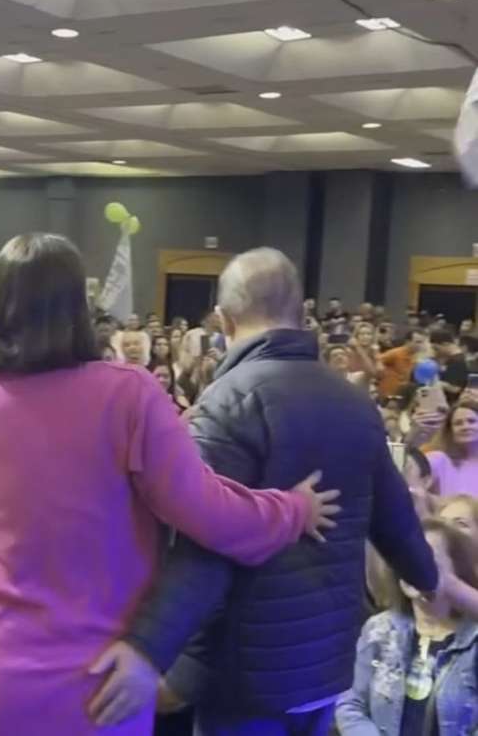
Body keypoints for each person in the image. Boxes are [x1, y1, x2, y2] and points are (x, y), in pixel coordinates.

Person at [0, 233, 340, 736]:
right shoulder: (127, 393)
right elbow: (208, 511)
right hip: (100, 682)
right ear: (78, 308)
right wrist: (292, 510)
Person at [97, 247, 438, 735]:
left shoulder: (229, 402)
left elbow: (204, 547)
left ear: (223, 319)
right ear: (300, 314)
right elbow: (396, 520)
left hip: (248, 674)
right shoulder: (353, 400)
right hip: (327, 664)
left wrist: (149, 650)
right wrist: (427, 576)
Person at [336, 519, 478, 736]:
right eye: (407, 559)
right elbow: (350, 705)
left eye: (427, 558)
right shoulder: (379, 629)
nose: (413, 567)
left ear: (456, 569)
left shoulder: (473, 639)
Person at [426, 399, 478, 497]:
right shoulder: (439, 460)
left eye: (472, 421)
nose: (465, 427)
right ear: (450, 431)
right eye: (458, 423)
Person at [379, 329, 428, 399]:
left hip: (401, 395)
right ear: (408, 342)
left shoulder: (415, 357)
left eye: (423, 342)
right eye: (418, 342)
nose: (421, 345)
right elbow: (377, 361)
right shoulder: (395, 353)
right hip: (388, 395)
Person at [430, 329, 468, 405]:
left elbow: (456, 388)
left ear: (445, 344)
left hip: (452, 404)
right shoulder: (451, 360)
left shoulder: (458, 362)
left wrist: (437, 383)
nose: (435, 352)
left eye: (436, 349)